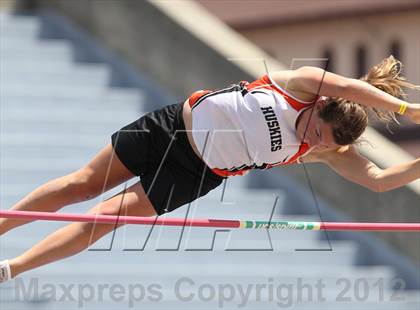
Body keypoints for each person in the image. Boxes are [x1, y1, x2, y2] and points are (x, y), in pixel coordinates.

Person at [0, 55, 419, 283]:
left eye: (325, 145)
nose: (315, 142)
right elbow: (346, 86)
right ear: (320, 106)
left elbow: (379, 181)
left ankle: (10, 270)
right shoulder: (300, 85)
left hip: (194, 173)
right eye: (317, 131)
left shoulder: (328, 149)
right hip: (168, 129)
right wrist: (406, 109)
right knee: (81, 186)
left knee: (104, 219)